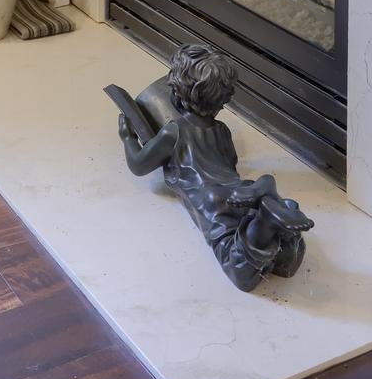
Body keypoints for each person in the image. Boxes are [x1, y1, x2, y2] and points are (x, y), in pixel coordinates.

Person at [115, 43, 313, 291]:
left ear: (175, 95)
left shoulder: (173, 132)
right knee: (281, 261)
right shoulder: (223, 131)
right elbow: (230, 163)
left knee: (239, 268)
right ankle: (281, 226)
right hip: (241, 189)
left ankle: (266, 223)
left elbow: (138, 164)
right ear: (222, 101)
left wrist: (128, 137)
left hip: (211, 199)